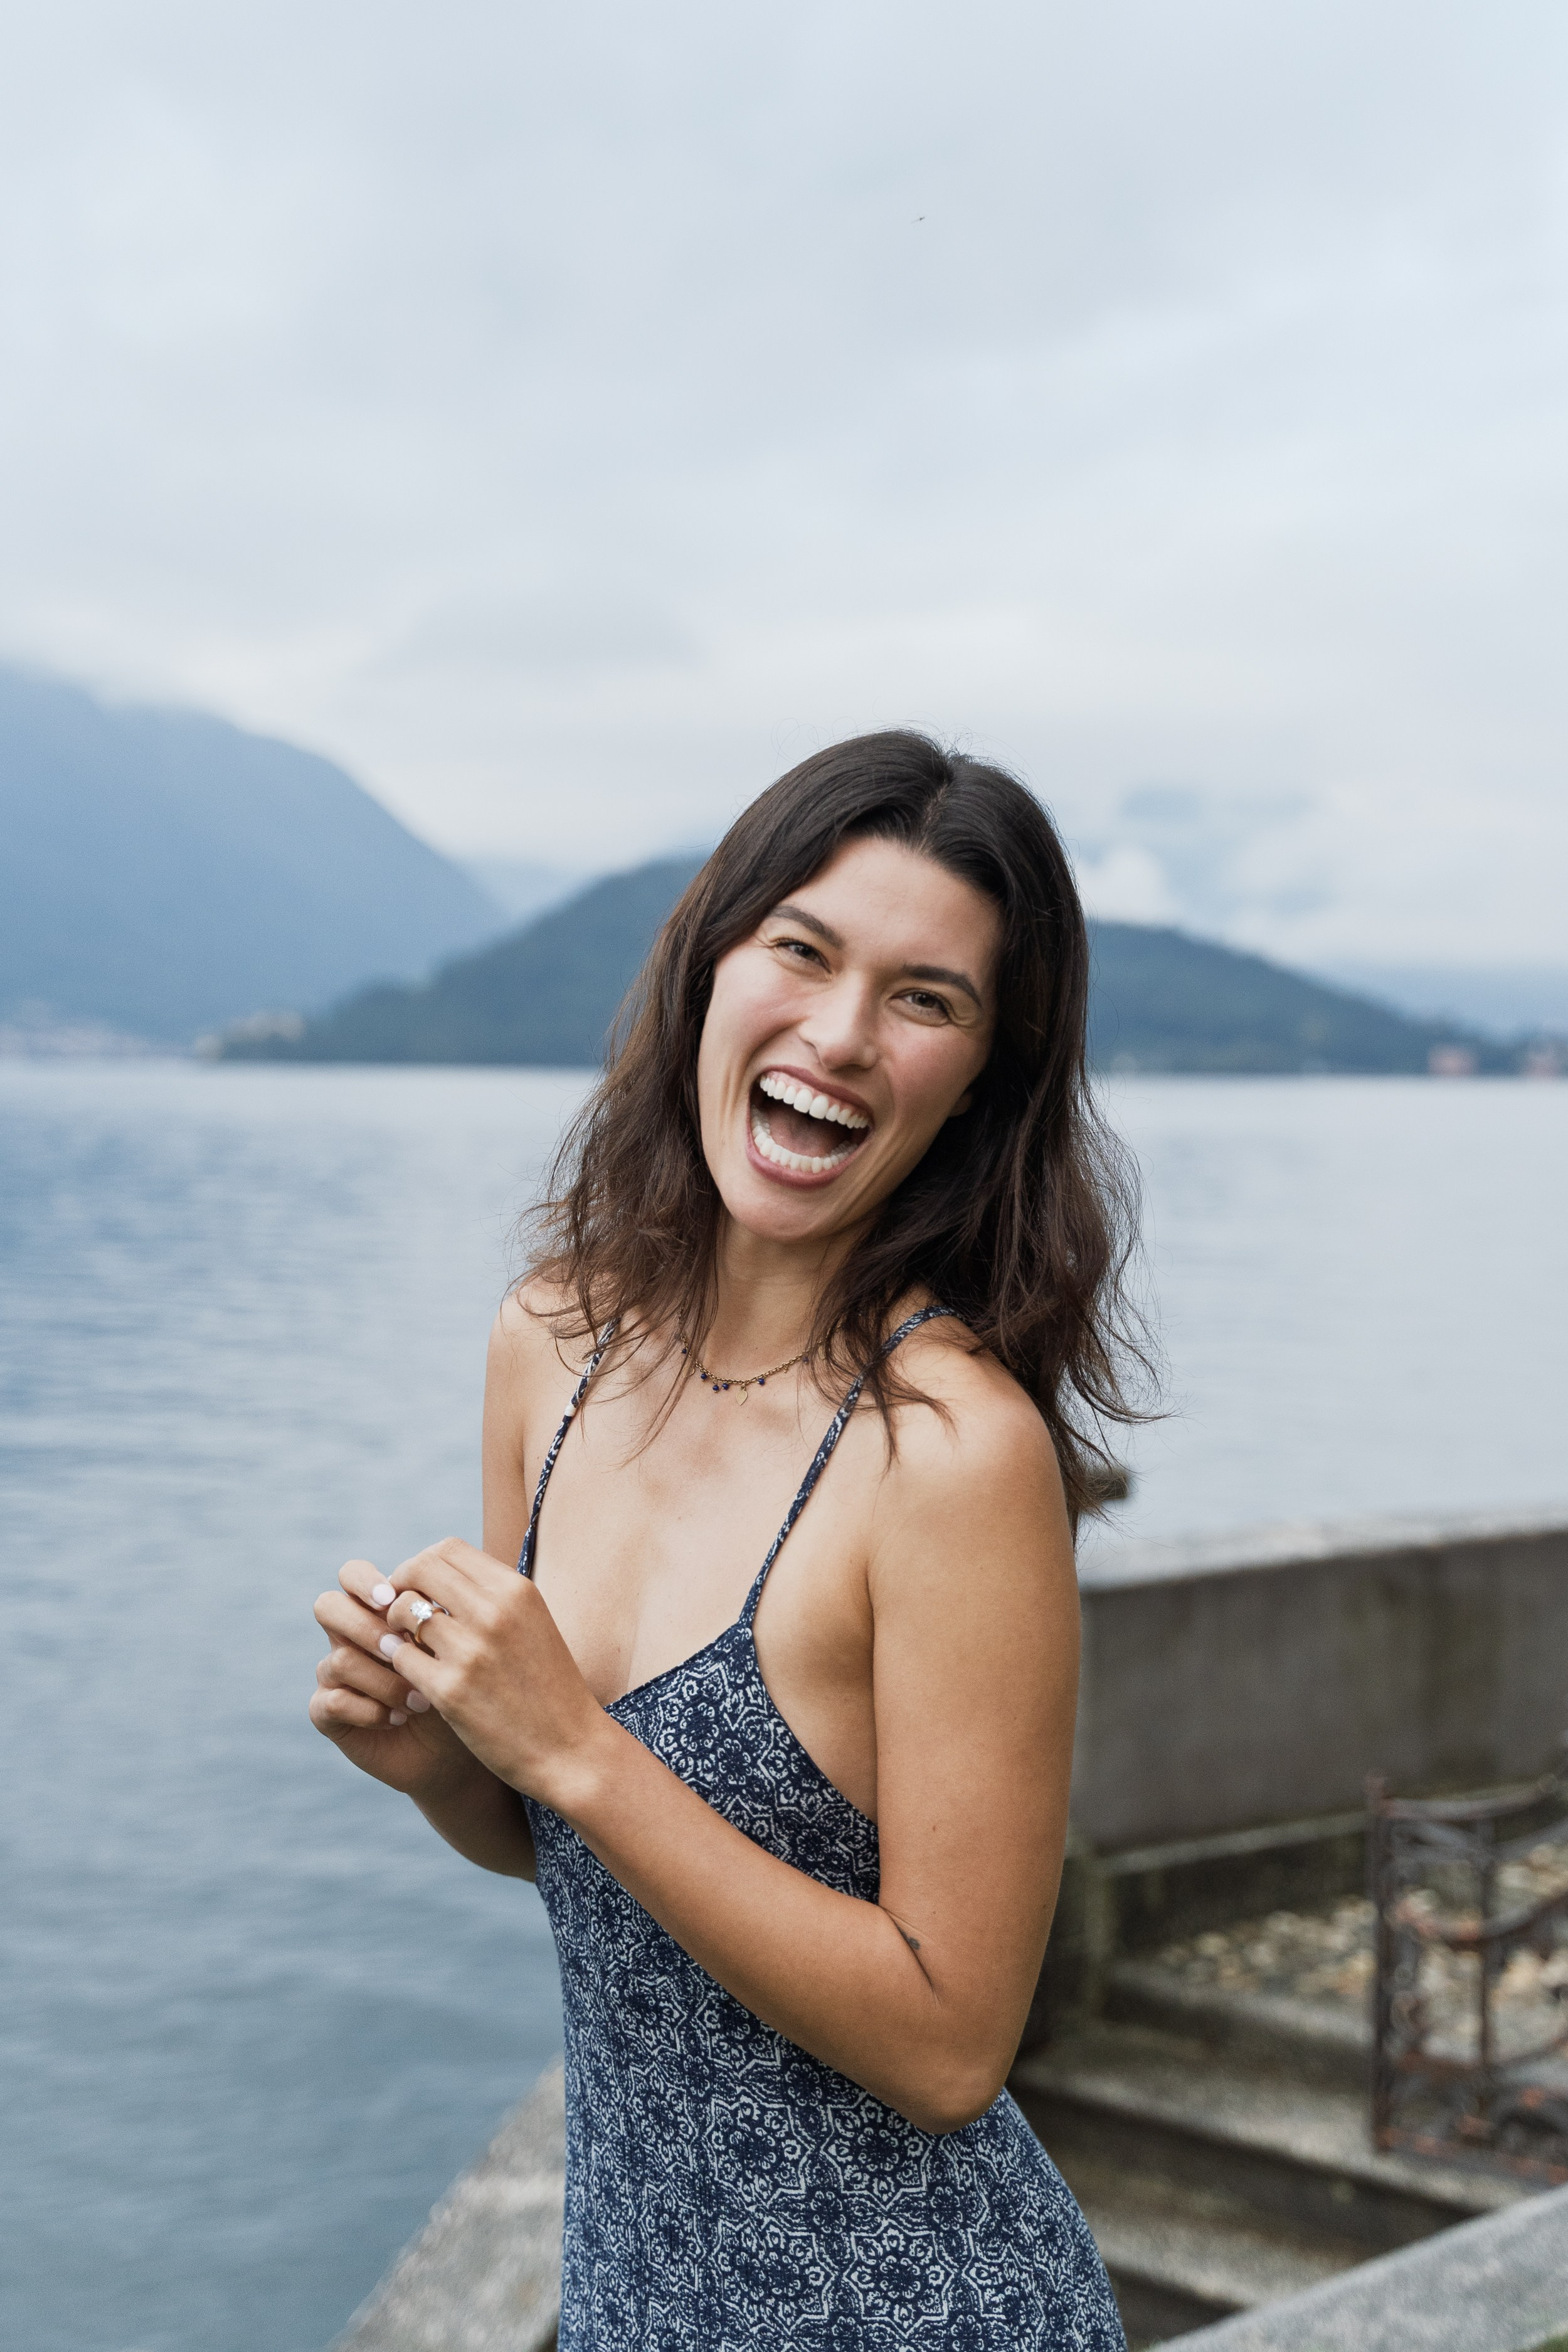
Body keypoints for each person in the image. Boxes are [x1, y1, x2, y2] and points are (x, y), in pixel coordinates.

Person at [311, 731, 1143, 2350]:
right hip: (638, 2297)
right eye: (802, 951)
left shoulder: (950, 1455)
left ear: (981, 1077)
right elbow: (567, 1848)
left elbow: (949, 2044)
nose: (838, 1034)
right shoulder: (548, 1344)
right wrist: (441, 1765)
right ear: (710, 965)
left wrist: (569, 1751)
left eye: (925, 997)